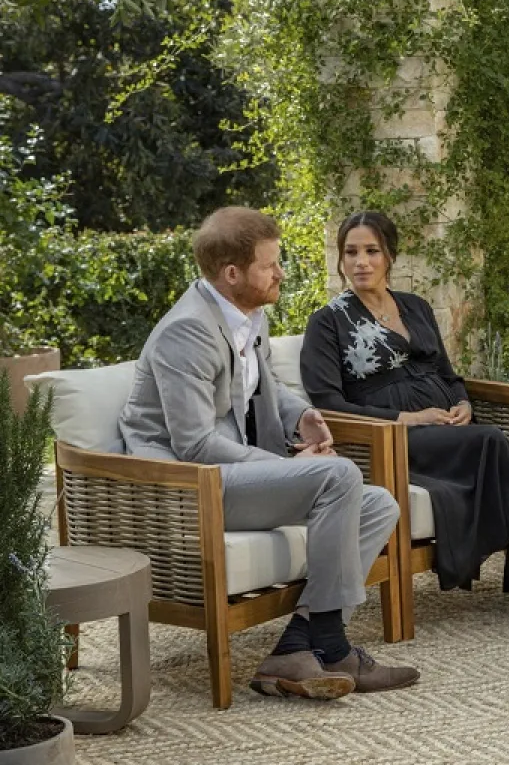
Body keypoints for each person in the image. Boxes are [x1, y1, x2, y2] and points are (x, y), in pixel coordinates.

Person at [120, 207, 417, 700]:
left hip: (225, 474)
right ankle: (334, 648)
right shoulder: (187, 332)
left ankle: (295, 647)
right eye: (270, 265)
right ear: (231, 273)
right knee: (339, 475)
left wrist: (303, 416)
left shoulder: (246, 313)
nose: (280, 273)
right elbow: (194, 444)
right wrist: (288, 467)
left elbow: (268, 385)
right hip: (188, 488)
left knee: (380, 504)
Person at [298, 211, 509, 629]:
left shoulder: (415, 307)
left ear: (390, 256)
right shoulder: (328, 322)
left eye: (372, 251)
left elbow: (447, 373)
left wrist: (463, 403)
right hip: (393, 441)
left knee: (500, 460)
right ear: (340, 258)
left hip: (447, 431)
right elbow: (327, 403)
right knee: (491, 442)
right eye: (351, 252)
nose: (361, 262)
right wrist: (405, 418)